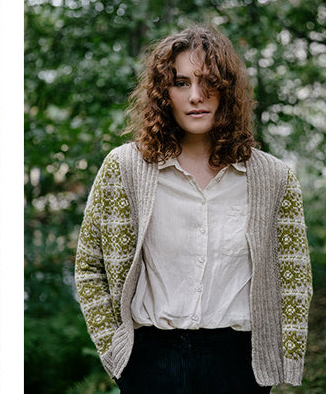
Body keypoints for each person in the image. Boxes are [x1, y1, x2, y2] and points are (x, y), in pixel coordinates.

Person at [74, 25, 312, 392]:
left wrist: (283, 358)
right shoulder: (125, 169)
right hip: (150, 362)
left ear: (227, 90)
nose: (196, 96)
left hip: (240, 364)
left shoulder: (273, 178)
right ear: (163, 94)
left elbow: (294, 277)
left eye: (208, 82)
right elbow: (89, 266)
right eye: (181, 83)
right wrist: (117, 354)